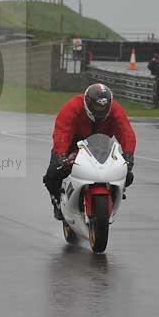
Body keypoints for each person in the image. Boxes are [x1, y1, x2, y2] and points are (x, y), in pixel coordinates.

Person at [42, 84, 136, 220]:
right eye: (98, 106)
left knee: (128, 175)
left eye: (103, 107)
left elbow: (126, 132)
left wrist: (128, 155)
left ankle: (114, 193)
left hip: (101, 147)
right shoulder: (73, 106)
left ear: (109, 105)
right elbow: (62, 131)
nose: (100, 110)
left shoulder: (115, 110)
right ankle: (57, 201)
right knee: (52, 174)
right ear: (88, 103)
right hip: (72, 146)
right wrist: (61, 155)